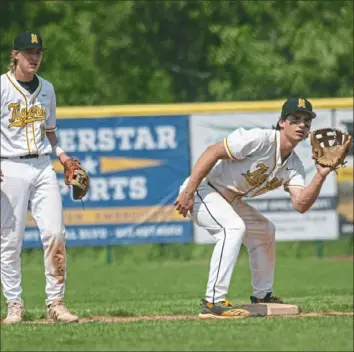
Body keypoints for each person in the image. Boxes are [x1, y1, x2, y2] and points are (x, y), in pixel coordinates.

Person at [174, 97, 333, 319]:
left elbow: (300, 204)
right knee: (233, 228)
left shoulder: (294, 164)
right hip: (203, 189)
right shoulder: (260, 139)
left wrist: (321, 175)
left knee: (264, 232)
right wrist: (189, 191)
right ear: (282, 123)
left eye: (306, 122)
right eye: (295, 119)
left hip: (229, 199)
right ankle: (212, 302)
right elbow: (212, 151)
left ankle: (262, 296)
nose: (302, 125)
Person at [1, 30, 79, 324]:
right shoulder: (2, 87)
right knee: (10, 239)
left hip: (44, 166)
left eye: (38, 53)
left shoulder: (47, 88)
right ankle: (14, 304)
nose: (34, 57)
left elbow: (50, 132)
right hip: (10, 167)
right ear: (15, 55)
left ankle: (56, 303)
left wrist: (63, 155)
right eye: (28, 52)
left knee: (56, 234)